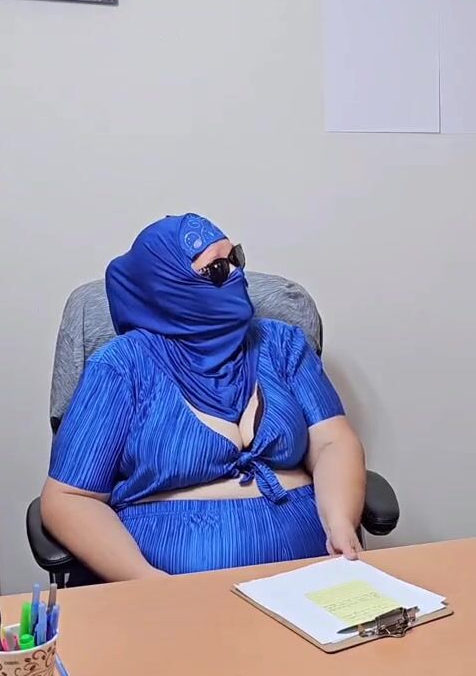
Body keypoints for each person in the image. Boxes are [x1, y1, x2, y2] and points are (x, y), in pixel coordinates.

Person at [41, 213, 368, 580]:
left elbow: (332, 441)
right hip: (171, 587)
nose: (236, 275)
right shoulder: (122, 365)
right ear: (169, 286)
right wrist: (146, 581)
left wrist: (340, 522)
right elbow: (70, 499)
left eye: (236, 258)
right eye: (216, 269)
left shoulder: (282, 344)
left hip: (310, 575)